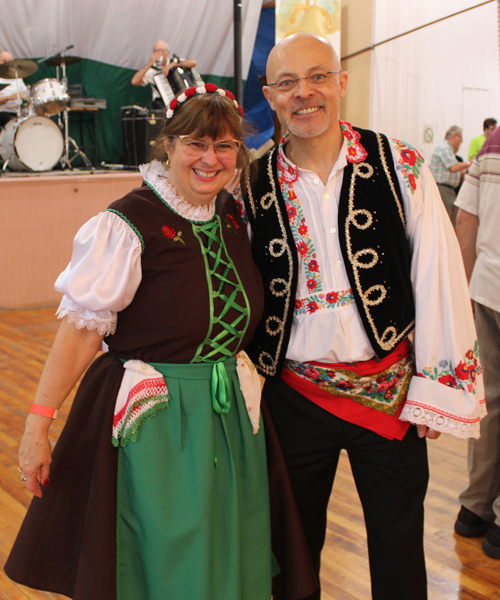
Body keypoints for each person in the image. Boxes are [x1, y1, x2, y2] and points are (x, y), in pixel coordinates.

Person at [235, 33, 485, 600]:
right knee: (292, 555)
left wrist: (437, 384)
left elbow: (439, 277)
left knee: (399, 551)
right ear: (269, 95)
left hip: (391, 395)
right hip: (292, 396)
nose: (305, 93)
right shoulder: (249, 184)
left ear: (341, 83)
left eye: (318, 76)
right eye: (288, 83)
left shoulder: (400, 165)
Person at [5, 85, 274, 600]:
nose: (210, 159)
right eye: (196, 144)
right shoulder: (127, 223)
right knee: (162, 556)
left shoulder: (233, 215)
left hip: (227, 417)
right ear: (167, 146)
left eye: (224, 147)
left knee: (222, 548)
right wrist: (38, 425)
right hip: (156, 421)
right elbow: (81, 331)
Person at [454, 126, 500, 560]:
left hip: (486, 288)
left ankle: (475, 509)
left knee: (489, 400)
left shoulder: (492, 142)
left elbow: (466, 217)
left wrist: (461, 293)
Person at [131, 40, 197, 108]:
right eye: (157, 50)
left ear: (167, 52)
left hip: (180, 100)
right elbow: (134, 81)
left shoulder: (174, 61)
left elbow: (193, 62)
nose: (159, 53)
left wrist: (172, 65)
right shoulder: (152, 70)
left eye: (162, 50)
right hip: (162, 103)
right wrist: (148, 65)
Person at [429, 126, 470, 223]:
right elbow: (454, 167)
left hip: (448, 190)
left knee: (451, 220)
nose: (461, 141)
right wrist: (470, 163)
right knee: (445, 222)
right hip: (443, 189)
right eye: (461, 137)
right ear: (455, 136)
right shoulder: (444, 148)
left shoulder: (448, 149)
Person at [0, 50, 28, 127]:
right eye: (4, 61)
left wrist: (29, 91)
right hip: (3, 112)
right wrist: (9, 97)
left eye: (9, 61)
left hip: (19, 112)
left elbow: (26, 94)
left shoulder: (17, 77)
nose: (7, 63)